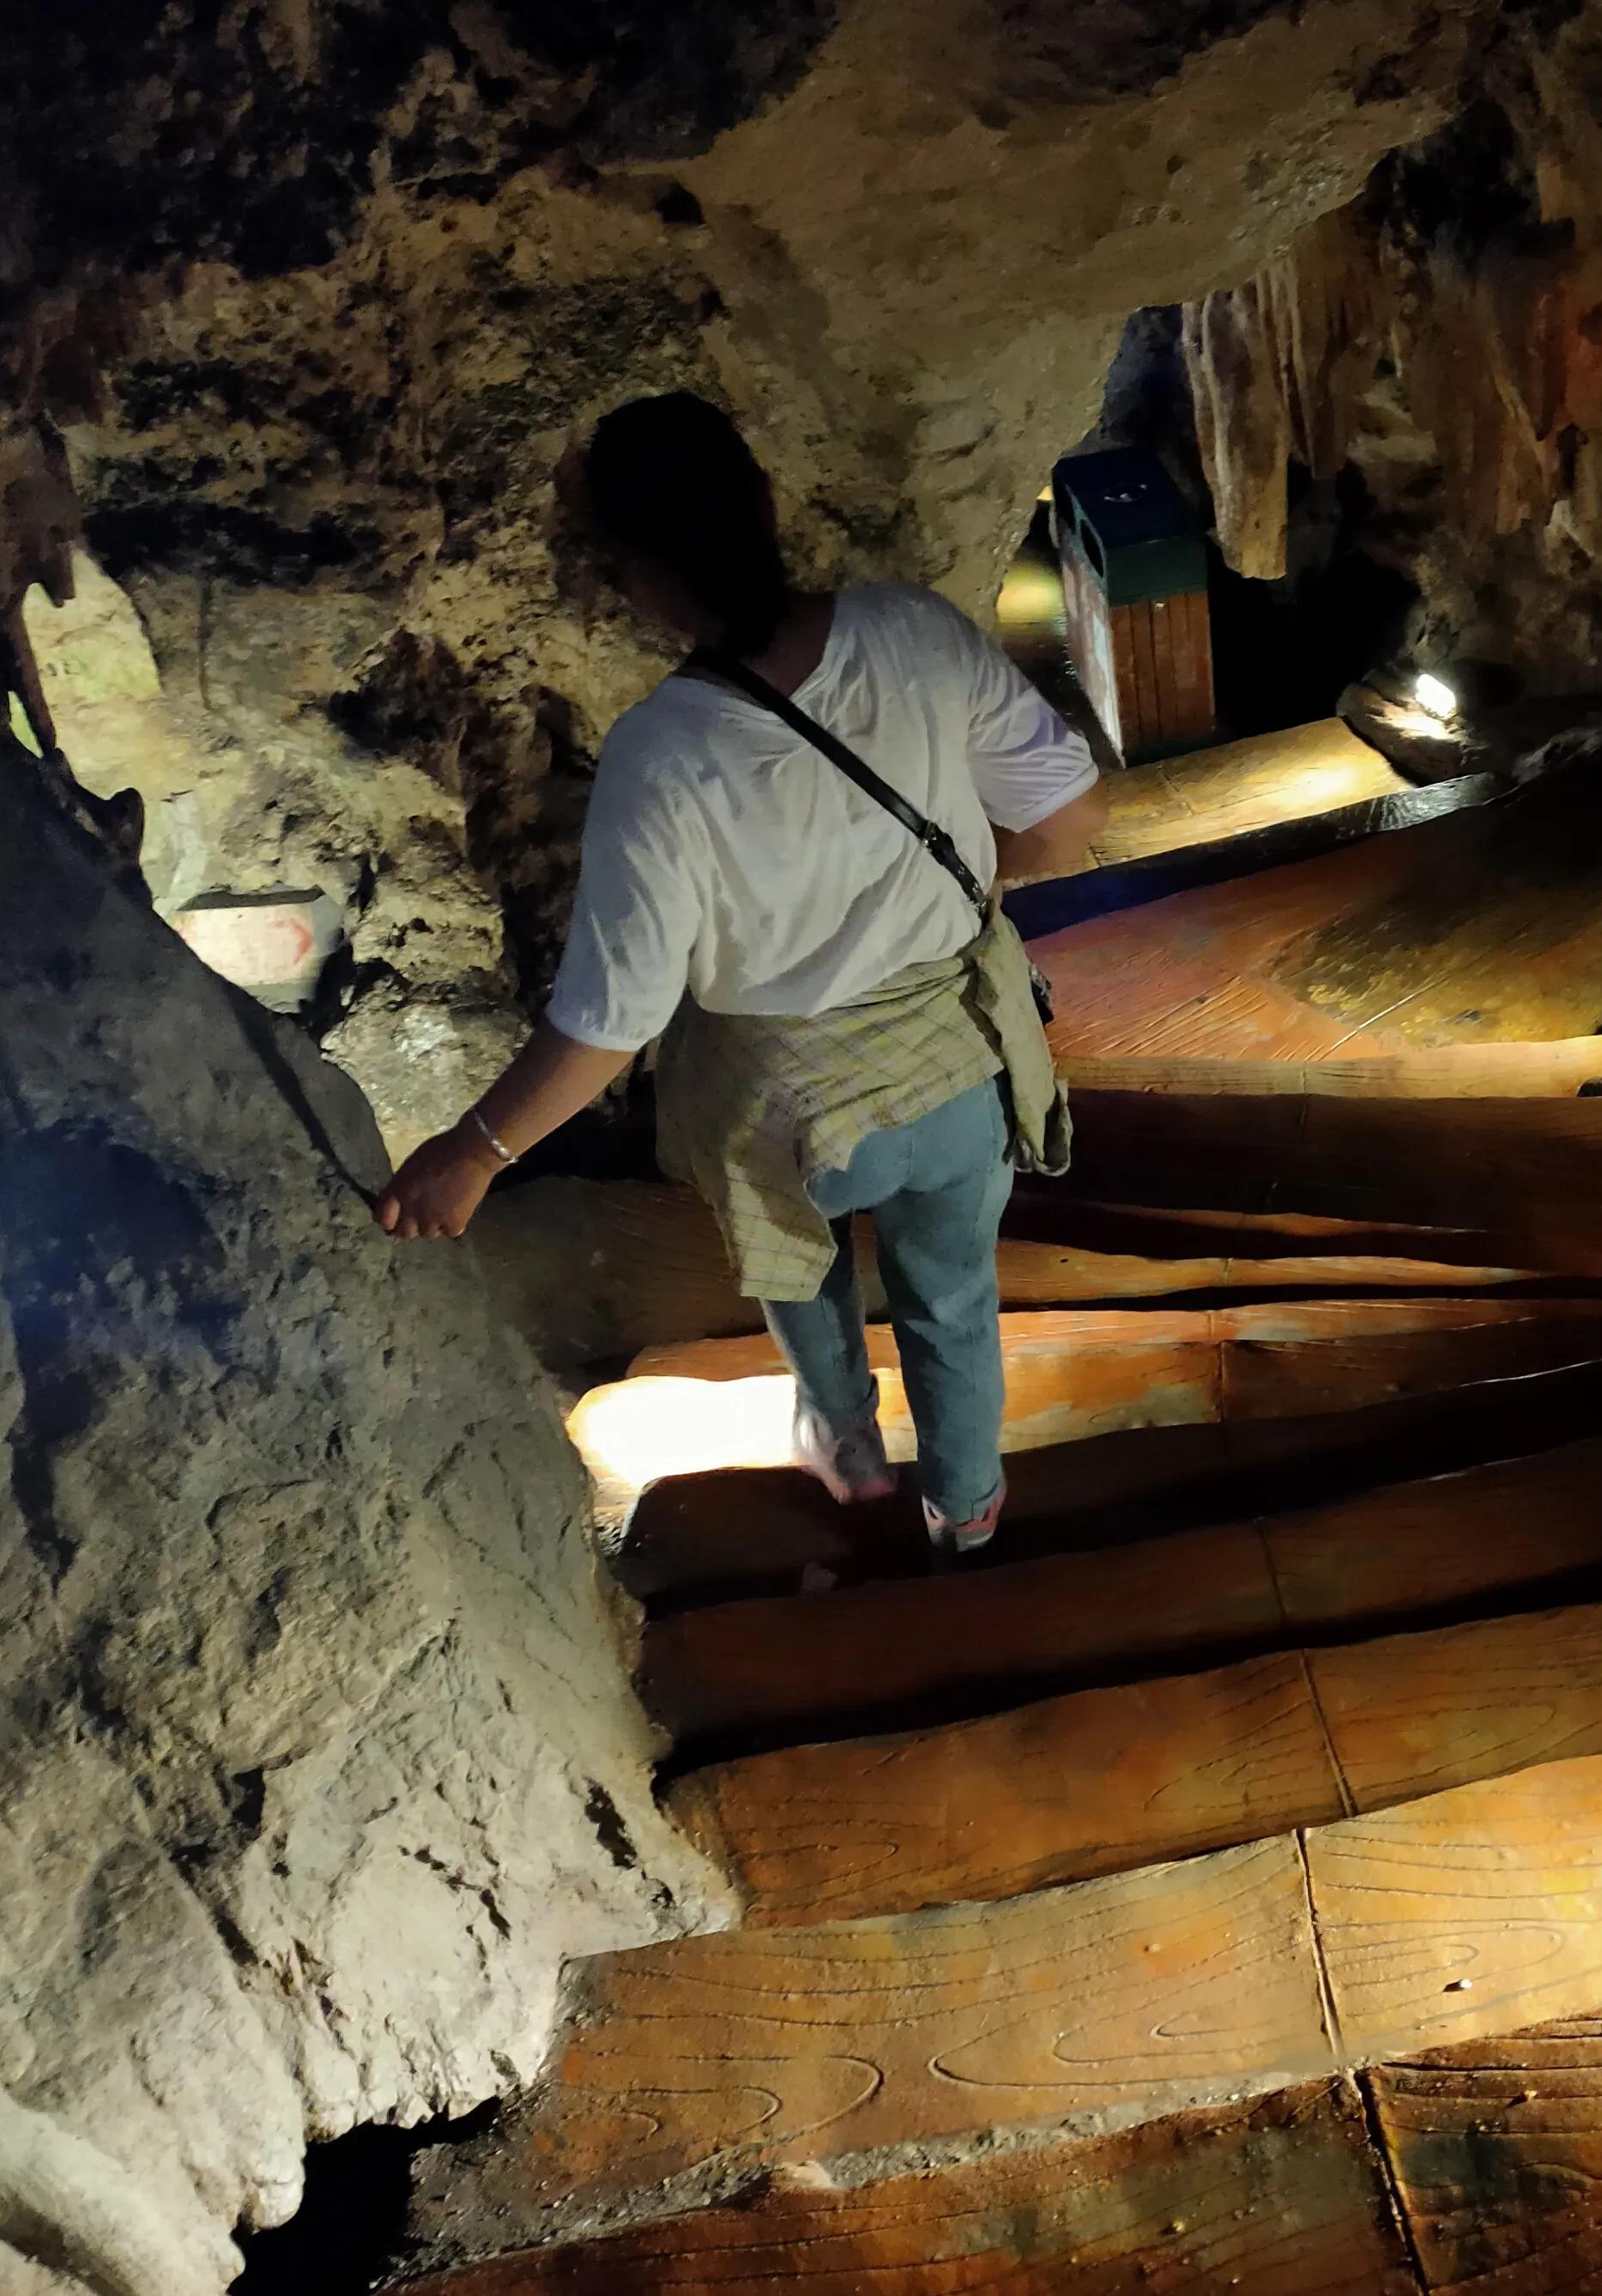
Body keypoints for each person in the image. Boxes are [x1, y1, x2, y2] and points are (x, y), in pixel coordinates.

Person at [377, 391, 1107, 1560]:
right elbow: (1069, 822)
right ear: (767, 504)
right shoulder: (913, 633)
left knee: (804, 1292)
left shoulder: (662, 761)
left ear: (626, 575)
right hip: (951, 1062)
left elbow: (611, 1025)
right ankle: (966, 1514)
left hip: (784, 1114)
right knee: (953, 1301)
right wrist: (963, 897)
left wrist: (474, 1153)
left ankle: (854, 1465)